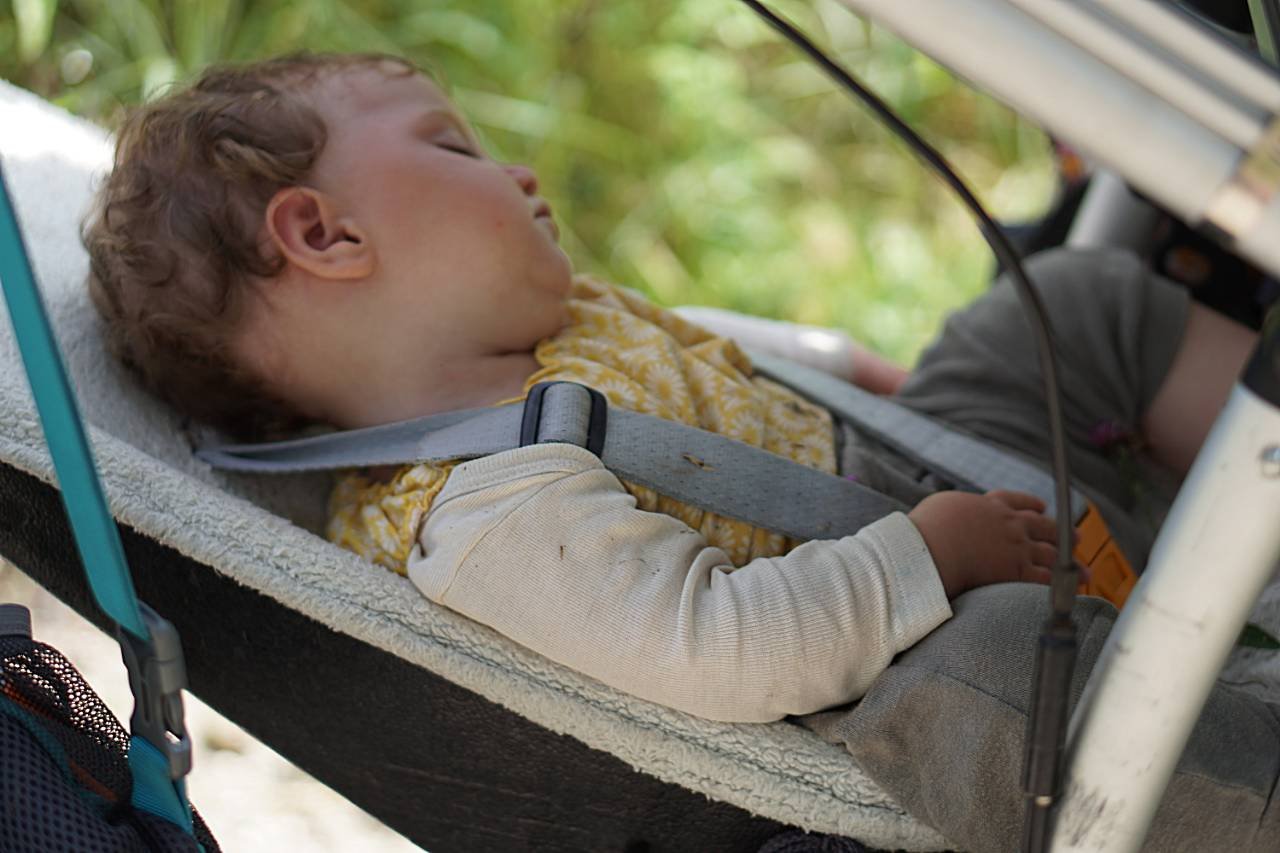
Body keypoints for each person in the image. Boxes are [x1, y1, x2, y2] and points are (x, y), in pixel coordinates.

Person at [83, 52, 1277, 850]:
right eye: (455, 149)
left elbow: (706, 348)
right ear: (325, 233)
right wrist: (926, 559)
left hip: (936, 471)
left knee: (1064, 303)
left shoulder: (541, 333)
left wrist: (846, 369)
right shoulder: (489, 511)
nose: (517, 171)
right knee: (988, 679)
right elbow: (716, 646)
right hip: (915, 621)